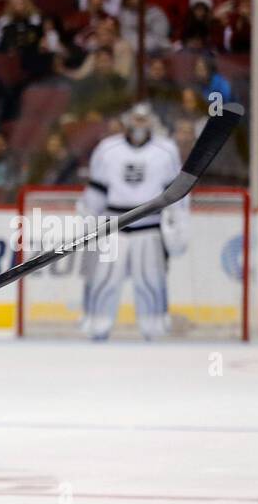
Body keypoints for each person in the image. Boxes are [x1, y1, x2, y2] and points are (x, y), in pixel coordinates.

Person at [77, 104, 187, 340]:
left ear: (151, 122)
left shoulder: (166, 150)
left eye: (143, 119)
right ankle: (97, 326)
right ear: (127, 121)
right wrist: (87, 222)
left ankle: (154, 329)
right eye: (135, 119)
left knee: (150, 282)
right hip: (112, 228)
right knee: (104, 281)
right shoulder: (107, 149)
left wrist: (179, 225)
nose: (139, 124)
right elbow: (96, 191)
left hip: (149, 228)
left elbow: (176, 193)